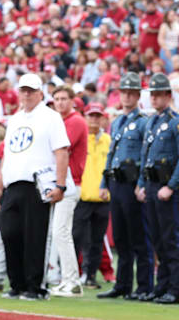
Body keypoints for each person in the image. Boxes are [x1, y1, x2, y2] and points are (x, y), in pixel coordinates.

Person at [0, 73, 73, 301]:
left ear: (40, 93)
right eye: (23, 90)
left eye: (31, 90)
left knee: (35, 237)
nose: (26, 94)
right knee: (9, 234)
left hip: (38, 185)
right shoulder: (15, 119)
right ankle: (16, 283)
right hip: (12, 183)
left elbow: (61, 151)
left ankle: (35, 286)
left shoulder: (50, 117)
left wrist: (61, 184)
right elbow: (8, 155)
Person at [135, 73, 179, 304]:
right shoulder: (152, 121)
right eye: (152, 95)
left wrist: (171, 186)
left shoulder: (178, 122)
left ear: (169, 96)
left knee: (169, 238)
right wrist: (141, 183)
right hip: (151, 184)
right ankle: (162, 286)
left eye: (158, 95)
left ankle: (176, 289)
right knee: (157, 239)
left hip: (167, 185)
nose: (154, 99)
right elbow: (145, 155)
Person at [97, 72, 154, 301]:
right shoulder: (117, 121)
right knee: (120, 237)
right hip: (116, 182)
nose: (127, 96)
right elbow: (111, 154)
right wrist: (104, 182)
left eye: (132, 93)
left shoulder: (143, 122)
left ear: (138, 95)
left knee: (139, 236)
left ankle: (144, 286)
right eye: (124, 92)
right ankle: (122, 284)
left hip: (132, 183)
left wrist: (141, 184)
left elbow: (145, 154)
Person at [49, 85, 87, 294]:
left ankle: (72, 281)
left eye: (64, 98)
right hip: (62, 182)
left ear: (72, 100)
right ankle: (66, 279)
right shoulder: (61, 121)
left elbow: (61, 147)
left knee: (61, 232)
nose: (60, 102)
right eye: (57, 99)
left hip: (70, 182)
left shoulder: (76, 121)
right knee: (59, 233)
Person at [71, 103, 110, 295]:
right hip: (83, 196)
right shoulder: (81, 139)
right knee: (75, 237)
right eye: (91, 116)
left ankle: (91, 275)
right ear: (85, 117)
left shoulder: (108, 140)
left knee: (96, 240)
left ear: (102, 118)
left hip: (102, 197)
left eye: (97, 116)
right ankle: (71, 275)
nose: (94, 119)